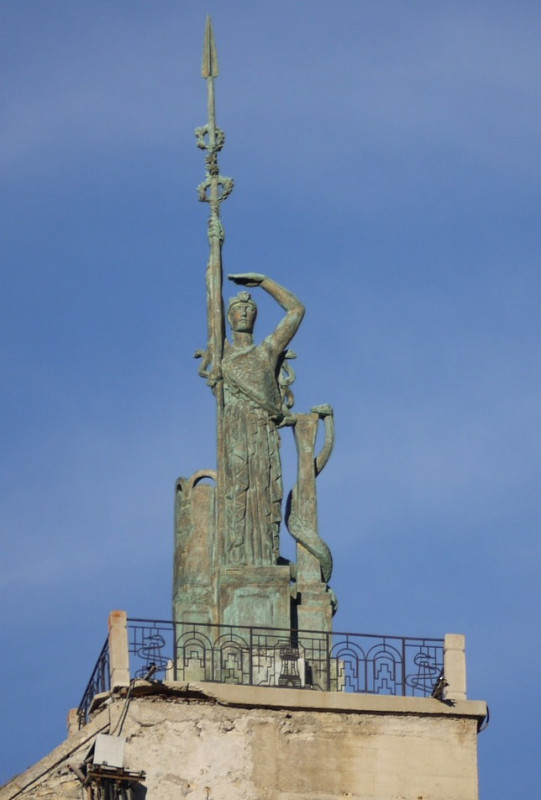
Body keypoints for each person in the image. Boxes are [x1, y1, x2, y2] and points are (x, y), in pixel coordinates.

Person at [221, 272, 304, 566]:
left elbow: (296, 310)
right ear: (228, 317)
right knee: (237, 495)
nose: (243, 312)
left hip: (261, 432)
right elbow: (211, 296)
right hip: (236, 432)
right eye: (237, 310)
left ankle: (265, 557)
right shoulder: (223, 355)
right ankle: (237, 556)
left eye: (249, 309)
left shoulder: (266, 352)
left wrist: (265, 282)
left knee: (266, 494)